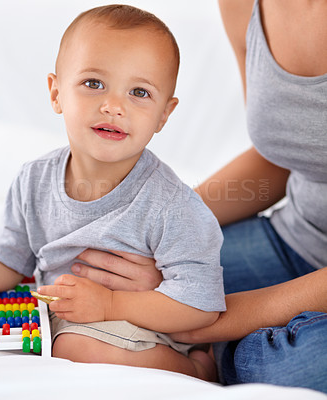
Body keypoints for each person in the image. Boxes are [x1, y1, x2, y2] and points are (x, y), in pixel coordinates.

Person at [67, 0, 327, 393]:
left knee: (299, 367)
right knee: (107, 270)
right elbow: (287, 151)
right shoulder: (245, 6)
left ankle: (214, 355)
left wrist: (200, 319)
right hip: (298, 240)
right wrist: (161, 229)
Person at [0, 5, 226, 381]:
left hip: (138, 321)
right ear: (56, 92)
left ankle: (195, 368)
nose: (113, 106)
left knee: (75, 348)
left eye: (139, 92)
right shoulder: (34, 178)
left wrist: (111, 304)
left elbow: (201, 306)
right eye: (94, 83)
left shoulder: (172, 205)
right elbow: (8, 257)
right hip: (62, 313)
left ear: (164, 114)